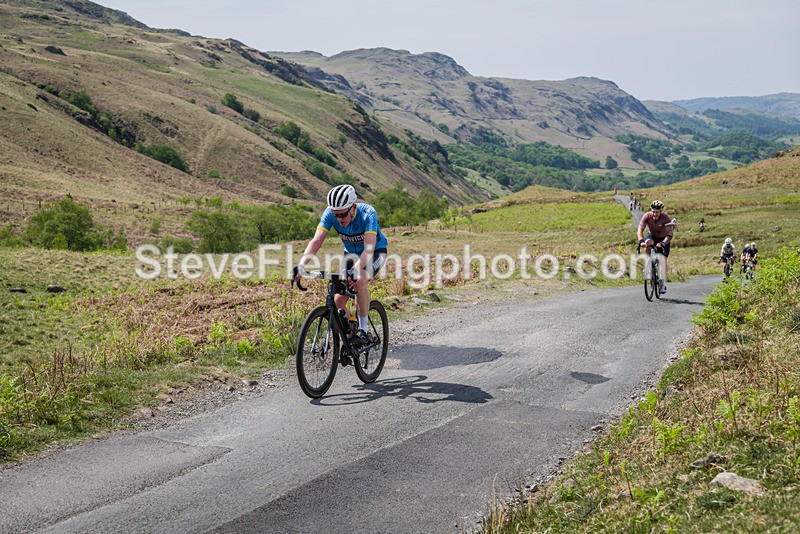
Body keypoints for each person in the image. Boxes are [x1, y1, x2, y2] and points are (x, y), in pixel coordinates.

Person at [294, 184, 388, 346]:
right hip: (350, 255)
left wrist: (356, 270)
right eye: (335, 215)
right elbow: (316, 241)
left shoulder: (368, 214)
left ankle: (363, 331)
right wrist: (301, 265)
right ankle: (350, 333)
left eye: (343, 215)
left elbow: (369, 248)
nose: (339, 220)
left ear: (353, 207)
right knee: (338, 300)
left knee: (360, 281)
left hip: (375, 251)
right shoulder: (329, 214)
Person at [637, 200, 673, 293]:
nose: (654, 213)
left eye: (657, 212)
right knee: (648, 242)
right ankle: (648, 262)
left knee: (663, 261)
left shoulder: (665, 218)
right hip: (652, 235)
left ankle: (662, 283)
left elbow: (670, 234)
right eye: (653, 211)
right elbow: (640, 230)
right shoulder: (647, 216)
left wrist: (663, 243)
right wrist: (641, 241)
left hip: (663, 239)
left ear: (661, 211)